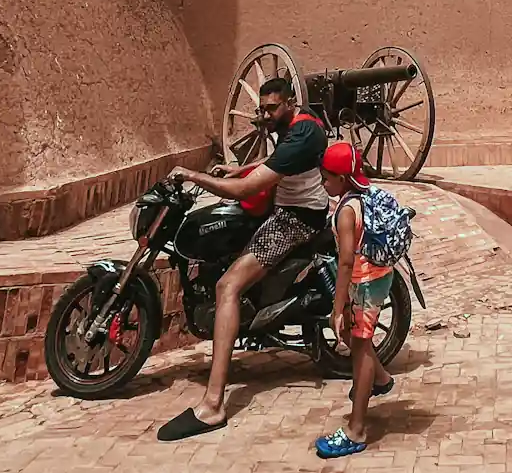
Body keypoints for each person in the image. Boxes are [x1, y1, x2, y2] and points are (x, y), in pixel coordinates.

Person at [156, 75, 329, 441]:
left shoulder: (301, 134)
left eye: (271, 108)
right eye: (261, 109)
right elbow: (277, 160)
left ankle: (214, 404)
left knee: (227, 286)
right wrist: (239, 167)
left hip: (295, 219)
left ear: (289, 104)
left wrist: (194, 175)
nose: (265, 116)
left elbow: (246, 189)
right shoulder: (295, 127)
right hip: (283, 208)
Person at [315, 140, 395, 459]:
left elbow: (346, 261)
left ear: (342, 179)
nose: (323, 182)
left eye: (327, 177)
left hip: (365, 280)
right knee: (355, 338)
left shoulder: (347, 210)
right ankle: (381, 379)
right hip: (378, 274)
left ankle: (356, 429)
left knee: (359, 346)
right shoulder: (360, 196)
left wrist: (339, 306)